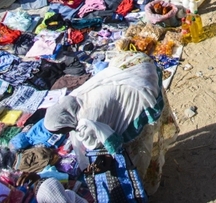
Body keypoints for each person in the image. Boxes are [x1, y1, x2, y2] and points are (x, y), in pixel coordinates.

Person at [42, 53, 171, 189]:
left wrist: (107, 159)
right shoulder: (73, 98)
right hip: (137, 72)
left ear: (65, 122)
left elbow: (113, 143)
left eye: (62, 130)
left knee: (139, 145)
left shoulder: (88, 120)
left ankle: (148, 177)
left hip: (139, 89)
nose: (64, 133)